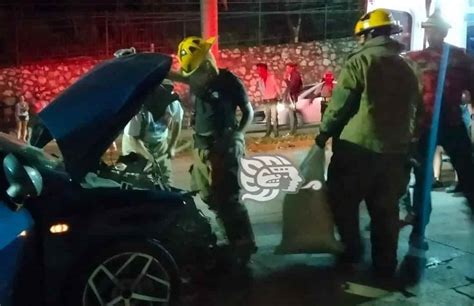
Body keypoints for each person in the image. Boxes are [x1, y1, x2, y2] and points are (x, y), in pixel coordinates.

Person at [315, 9, 422, 279]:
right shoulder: (407, 66)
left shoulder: (358, 63)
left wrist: (324, 133)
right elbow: (417, 109)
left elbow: (339, 107)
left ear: (370, 34)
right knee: (386, 211)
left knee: (342, 202)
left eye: (362, 36)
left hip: (356, 151)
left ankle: (352, 250)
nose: (360, 42)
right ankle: (385, 264)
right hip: (396, 152)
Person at [170, 36, 257, 261]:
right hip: (202, 146)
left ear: (208, 64)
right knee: (206, 193)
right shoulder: (197, 81)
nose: (191, 78)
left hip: (224, 146)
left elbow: (248, 111)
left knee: (229, 197)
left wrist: (237, 134)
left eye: (196, 71)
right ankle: (230, 235)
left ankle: (244, 243)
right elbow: (177, 76)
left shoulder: (228, 81)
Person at [406, 11, 474, 257]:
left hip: (453, 124)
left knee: (469, 176)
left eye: (436, 29)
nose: (431, 33)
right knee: (422, 181)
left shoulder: (460, 59)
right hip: (423, 127)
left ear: (445, 32)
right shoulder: (413, 60)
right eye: (428, 29)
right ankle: (418, 233)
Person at [257, 63, 281, 137]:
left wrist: (280, 96)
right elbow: (262, 91)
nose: (258, 71)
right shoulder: (260, 80)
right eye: (258, 70)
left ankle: (276, 133)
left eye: (260, 70)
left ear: (264, 70)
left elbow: (277, 87)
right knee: (267, 118)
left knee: (274, 118)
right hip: (266, 101)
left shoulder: (271, 77)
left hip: (272, 100)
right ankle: (268, 132)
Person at [283, 63, 303, 136]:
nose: (286, 70)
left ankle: (292, 132)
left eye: (288, 68)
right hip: (293, 96)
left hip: (292, 97)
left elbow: (292, 87)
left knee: (291, 114)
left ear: (292, 68)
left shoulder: (295, 75)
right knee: (292, 114)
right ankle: (293, 131)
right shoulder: (294, 75)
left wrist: (286, 80)